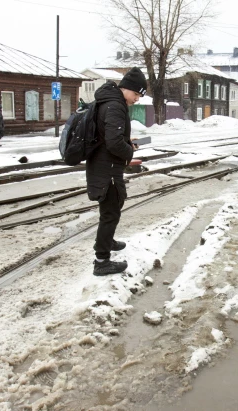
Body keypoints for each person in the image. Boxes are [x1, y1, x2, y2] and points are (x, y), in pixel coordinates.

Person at [87, 67, 146, 276]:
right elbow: (113, 143)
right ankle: (101, 261)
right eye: (137, 94)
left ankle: (107, 241)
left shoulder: (108, 101)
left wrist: (126, 142)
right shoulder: (115, 106)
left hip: (103, 165)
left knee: (112, 207)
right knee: (111, 211)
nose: (137, 99)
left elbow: (108, 137)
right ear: (128, 88)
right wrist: (129, 150)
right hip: (108, 168)